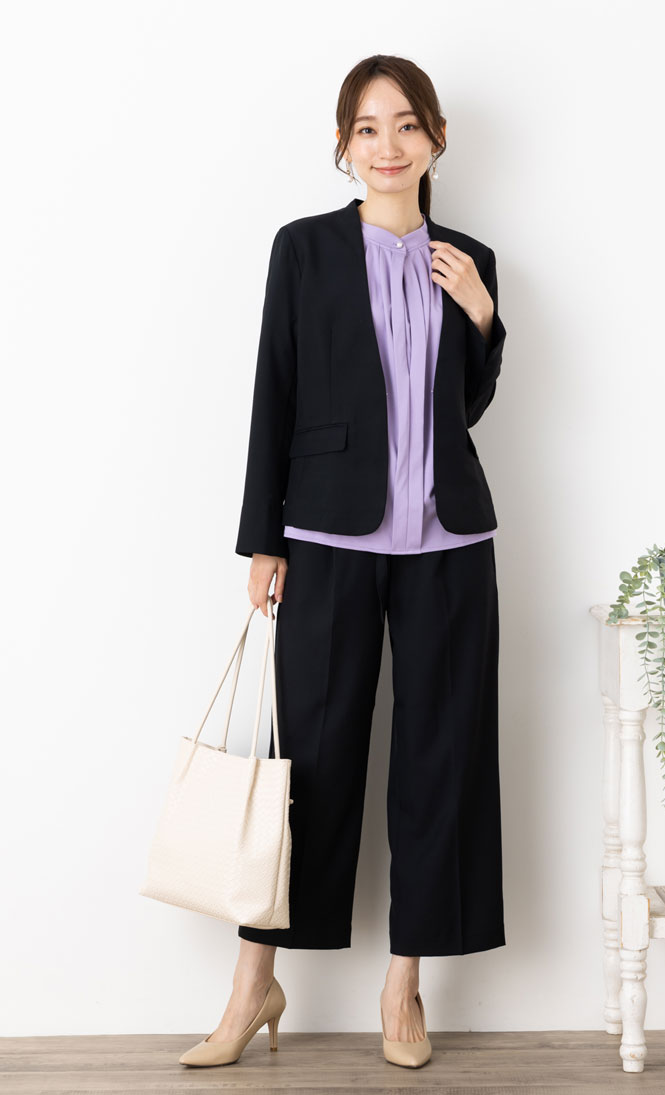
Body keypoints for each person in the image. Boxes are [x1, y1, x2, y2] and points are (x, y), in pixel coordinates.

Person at [179, 53, 507, 1072]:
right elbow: (272, 389)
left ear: (436, 139)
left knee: (440, 762)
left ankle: (403, 988)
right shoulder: (304, 250)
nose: (386, 145)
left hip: (449, 543)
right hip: (326, 537)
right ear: (342, 145)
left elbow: (461, 408)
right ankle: (253, 985)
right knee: (308, 765)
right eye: (366, 128)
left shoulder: (470, 257)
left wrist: (482, 317)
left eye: (405, 125)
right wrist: (263, 537)